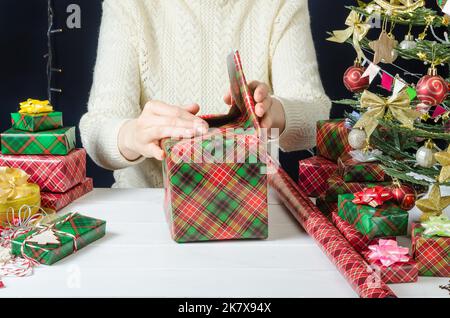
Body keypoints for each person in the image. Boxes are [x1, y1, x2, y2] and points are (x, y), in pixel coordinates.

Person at [80, 0, 331, 188]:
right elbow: (97, 130)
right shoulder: (128, 5)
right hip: (147, 213)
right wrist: (132, 136)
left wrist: (276, 113)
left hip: (249, 209)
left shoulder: (280, 4)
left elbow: (317, 117)